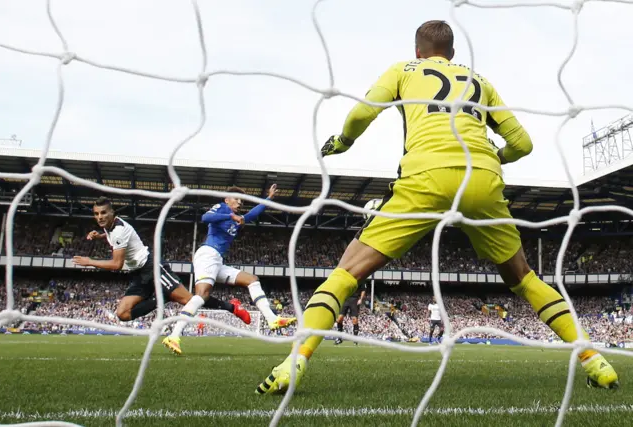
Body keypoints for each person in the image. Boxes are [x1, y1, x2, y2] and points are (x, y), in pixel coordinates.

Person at [255, 20, 619, 394]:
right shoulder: (481, 81)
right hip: (482, 178)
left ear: (418, 51)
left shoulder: (402, 70)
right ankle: (594, 360)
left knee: (348, 272)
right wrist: (496, 156)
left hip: (425, 174)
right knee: (524, 278)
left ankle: (293, 360)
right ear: (453, 54)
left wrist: (344, 141)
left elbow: (363, 113)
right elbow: (523, 144)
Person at [163, 184, 296, 355]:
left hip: (217, 260)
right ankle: (174, 335)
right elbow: (205, 218)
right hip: (208, 254)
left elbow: (253, 214)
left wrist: (268, 198)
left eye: (241, 200)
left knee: (252, 280)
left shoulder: (238, 218)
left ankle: (272, 319)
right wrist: (230, 215)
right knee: (202, 295)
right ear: (227, 200)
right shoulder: (222, 207)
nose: (240, 202)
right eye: (237, 199)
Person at [72, 196, 248, 325]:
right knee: (123, 314)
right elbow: (114, 237)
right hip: (138, 274)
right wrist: (100, 236)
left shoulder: (118, 229)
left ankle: (231, 307)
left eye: (103, 213)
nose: (100, 217)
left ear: (112, 213)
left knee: (189, 300)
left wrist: (90, 261)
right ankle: (162, 298)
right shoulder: (111, 227)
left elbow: (116, 264)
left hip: (152, 267)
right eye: (96, 214)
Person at [334, 281, 367, 345]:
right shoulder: (347, 278)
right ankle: (339, 338)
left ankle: (355, 339)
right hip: (345, 299)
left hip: (355, 300)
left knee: (354, 320)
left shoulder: (361, 279)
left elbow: (363, 290)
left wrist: (361, 299)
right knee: (339, 319)